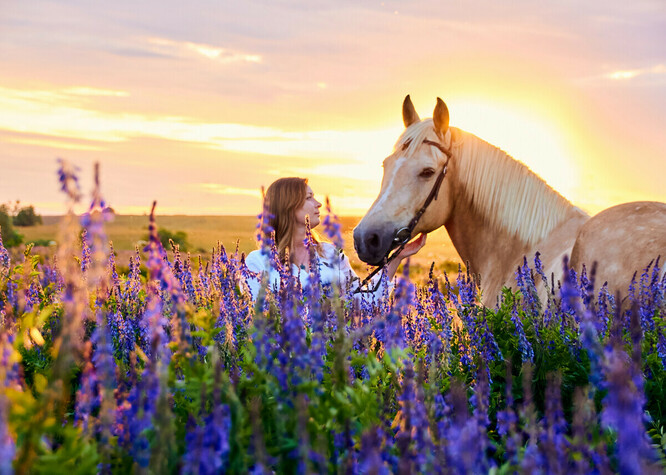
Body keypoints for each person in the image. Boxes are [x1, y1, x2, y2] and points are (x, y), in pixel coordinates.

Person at [244, 177, 426, 300]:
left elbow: (364, 302)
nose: (319, 204)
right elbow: (259, 319)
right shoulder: (258, 262)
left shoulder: (330, 253)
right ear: (289, 206)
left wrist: (397, 256)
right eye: (309, 198)